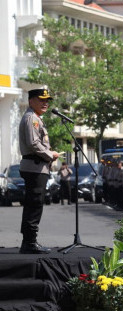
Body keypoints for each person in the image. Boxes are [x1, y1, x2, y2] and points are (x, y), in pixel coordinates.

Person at [19, 88, 60, 254]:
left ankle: (29, 241)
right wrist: (50, 154)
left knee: (34, 204)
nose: (45, 103)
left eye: (47, 100)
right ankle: (29, 242)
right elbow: (33, 143)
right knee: (34, 205)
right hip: (35, 167)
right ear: (31, 101)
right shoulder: (31, 118)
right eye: (41, 100)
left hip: (38, 167)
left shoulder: (36, 118)